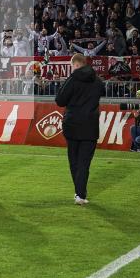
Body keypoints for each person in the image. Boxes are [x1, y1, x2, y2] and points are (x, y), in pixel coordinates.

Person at [55, 53, 105, 205]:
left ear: (76, 64)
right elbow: (101, 93)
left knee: (74, 160)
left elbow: (60, 100)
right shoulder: (97, 80)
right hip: (90, 125)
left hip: (73, 124)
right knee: (84, 162)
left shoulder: (73, 79)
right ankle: (80, 194)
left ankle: (79, 193)